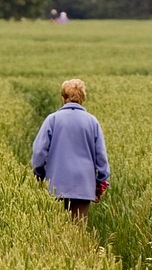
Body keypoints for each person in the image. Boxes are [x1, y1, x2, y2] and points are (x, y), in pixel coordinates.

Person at [31, 78, 109, 224]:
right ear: (83, 98)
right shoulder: (92, 122)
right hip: (84, 186)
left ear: (63, 98)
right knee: (78, 229)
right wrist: (100, 182)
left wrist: (39, 174)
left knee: (57, 229)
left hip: (55, 184)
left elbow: (38, 152)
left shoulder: (52, 120)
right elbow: (101, 157)